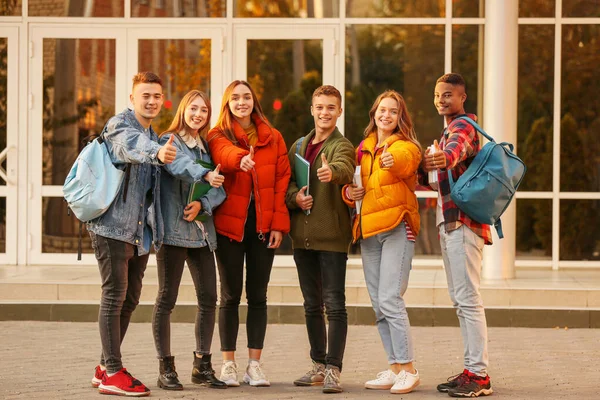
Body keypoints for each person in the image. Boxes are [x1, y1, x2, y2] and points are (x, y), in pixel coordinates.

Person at [88, 71, 177, 397]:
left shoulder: (153, 133)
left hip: (140, 233)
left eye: (156, 96)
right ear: (132, 98)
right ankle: (113, 370)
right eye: (145, 96)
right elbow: (130, 146)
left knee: (130, 298)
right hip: (111, 226)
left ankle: (103, 367)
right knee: (114, 296)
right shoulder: (120, 126)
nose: (152, 101)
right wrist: (157, 153)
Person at [207, 80, 291, 387]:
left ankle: (254, 365)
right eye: (235, 98)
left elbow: (282, 182)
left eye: (246, 97)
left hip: (263, 226)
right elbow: (222, 152)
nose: (241, 102)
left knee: (258, 296)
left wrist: (280, 225)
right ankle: (228, 364)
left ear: (254, 101)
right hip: (230, 225)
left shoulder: (274, 137)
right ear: (227, 103)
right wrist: (238, 159)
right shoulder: (218, 134)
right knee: (229, 296)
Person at [342, 90, 422, 394]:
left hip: (396, 227)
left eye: (392, 111)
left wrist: (391, 159)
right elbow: (352, 186)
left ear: (400, 118)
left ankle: (409, 368)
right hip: (369, 231)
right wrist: (349, 195)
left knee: (390, 298)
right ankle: (394, 368)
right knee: (378, 303)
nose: (385, 116)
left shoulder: (405, 146)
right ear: (374, 113)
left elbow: (405, 163)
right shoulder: (363, 148)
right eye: (382, 110)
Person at [420, 73, 493, 398]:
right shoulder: (448, 129)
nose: (441, 100)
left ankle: (479, 376)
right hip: (452, 223)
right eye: (438, 95)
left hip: (463, 223)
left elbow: (453, 153)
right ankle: (471, 369)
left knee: (468, 300)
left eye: (448, 95)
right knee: (462, 301)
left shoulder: (462, 127)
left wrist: (440, 157)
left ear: (462, 97)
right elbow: (439, 177)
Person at [152, 90, 227, 390]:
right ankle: (165, 368)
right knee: (166, 300)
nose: (198, 114)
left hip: (201, 233)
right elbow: (178, 166)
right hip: (172, 233)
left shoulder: (206, 148)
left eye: (204, 111)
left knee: (209, 298)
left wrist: (202, 205)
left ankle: (202, 365)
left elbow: (219, 189)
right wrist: (205, 177)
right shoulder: (167, 141)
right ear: (183, 109)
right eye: (193, 108)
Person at [285, 85, 355, 394]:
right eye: (320, 107)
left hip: (332, 239)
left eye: (331, 107)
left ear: (339, 112)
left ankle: (333, 369)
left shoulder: (342, 145)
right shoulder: (299, 146)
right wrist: (294, 199)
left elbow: (345, 167)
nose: (324, 112)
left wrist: (333, 173)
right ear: (312, 109)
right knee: (311, 304)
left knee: (334, 304)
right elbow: (286, 184)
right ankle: (317, 364)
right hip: (302, 239)